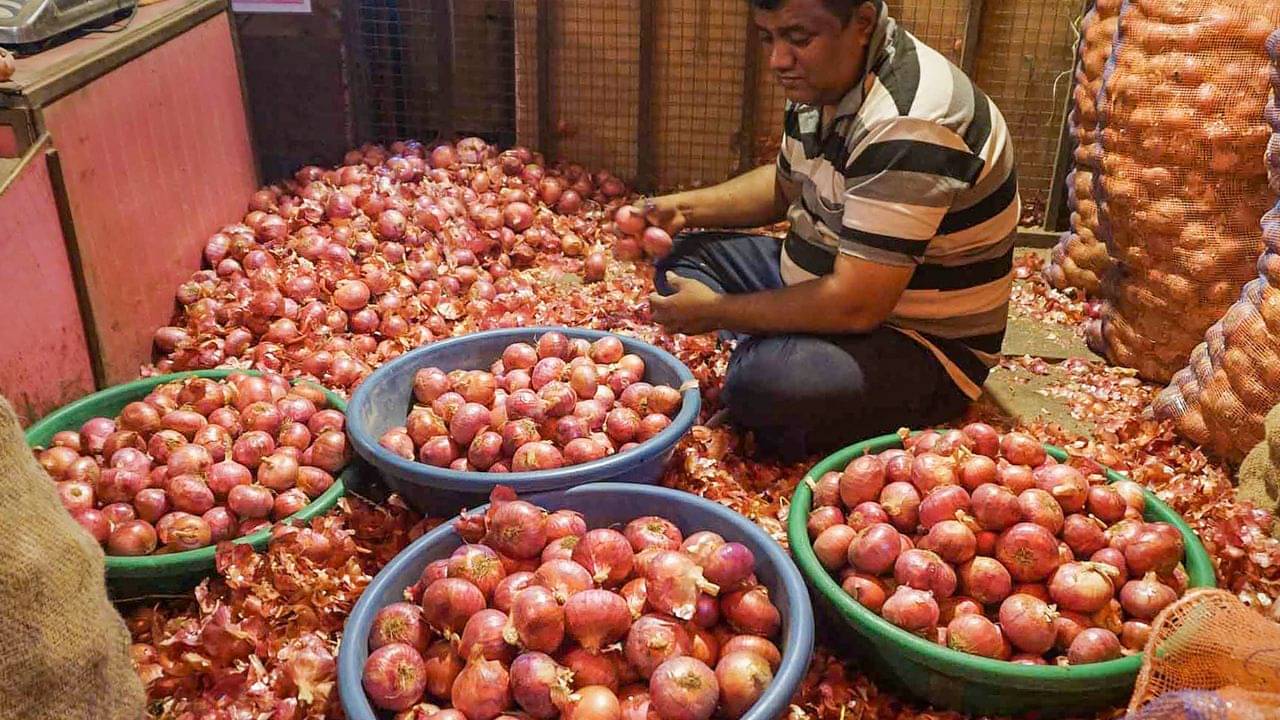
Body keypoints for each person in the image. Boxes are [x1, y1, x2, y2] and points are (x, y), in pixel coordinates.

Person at [642, 0, 1019, 458]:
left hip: (916, 340)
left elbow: (858, 306)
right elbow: (784, 185)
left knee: (762, 388)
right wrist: (681, 208)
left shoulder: (908, 121)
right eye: (768, 37)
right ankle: (772, 340)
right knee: (679, 259)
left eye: (798, 39)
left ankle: (772, 355)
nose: (778, 60)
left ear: (862, 23)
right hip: (823, 276)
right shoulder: (825, 82)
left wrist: (720, 311)